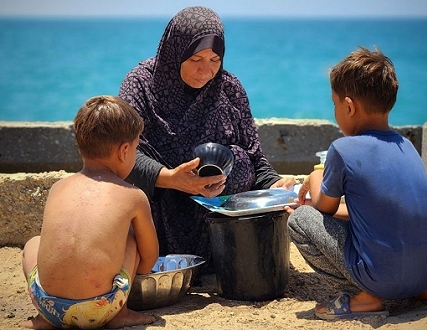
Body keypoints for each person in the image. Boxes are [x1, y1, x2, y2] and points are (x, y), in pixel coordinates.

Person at [119, 6, 294, 264]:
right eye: (196, 60)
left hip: (217, 219)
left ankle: (221, 257)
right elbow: (124, 152)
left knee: (239, 159)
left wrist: (274, 185)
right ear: (175, 52)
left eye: (215, 60)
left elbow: (255, 158)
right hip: (160, 210)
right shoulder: (141, 85)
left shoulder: (229, 89)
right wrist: (171, 178)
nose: (206, 71)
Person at [285, 47, 427, 320]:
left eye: (334, 104)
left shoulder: (343, 149)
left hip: (383, 279)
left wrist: (315, 176)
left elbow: (325, 207)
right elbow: (380, 214)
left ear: (349, 106)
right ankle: (422, 291)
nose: (335, 111)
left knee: (300, 221)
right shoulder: (407, 146)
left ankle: (366, 298)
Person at [20, 96, 159, 329]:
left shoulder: (58, 188)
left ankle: (43, 320)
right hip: (102, 307)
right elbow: (148, 260)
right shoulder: (133, 196)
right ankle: (120, 314)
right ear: (124, 151)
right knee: (131, 241)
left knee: (33, 243)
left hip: (48, 306)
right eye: (136, 148)